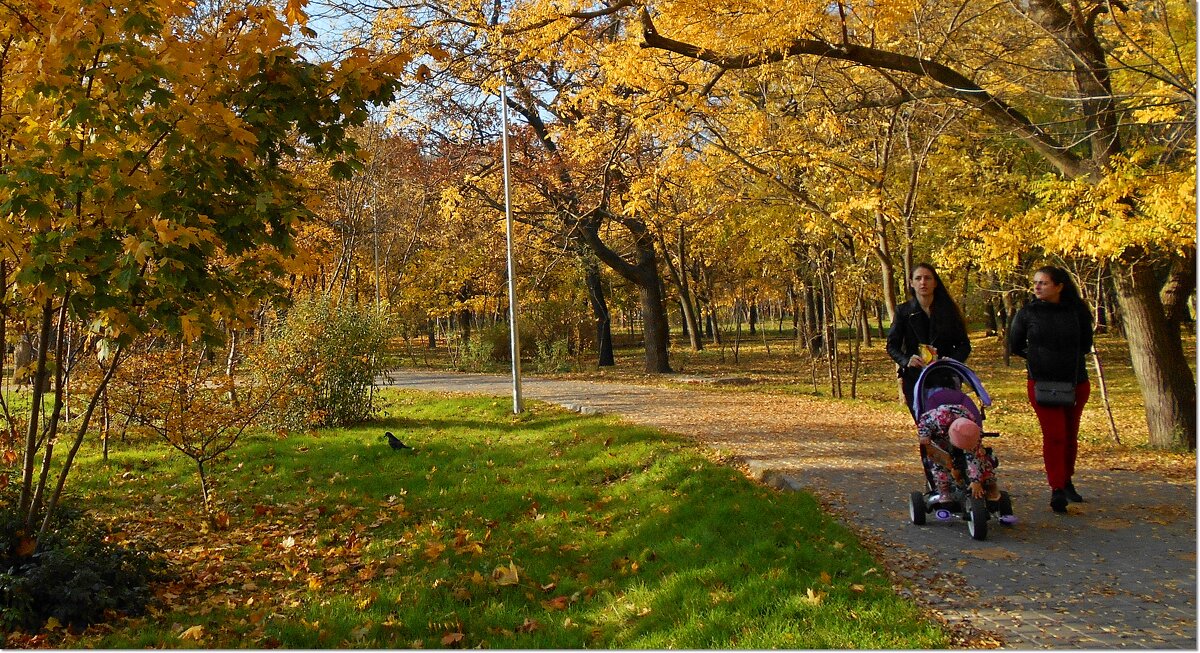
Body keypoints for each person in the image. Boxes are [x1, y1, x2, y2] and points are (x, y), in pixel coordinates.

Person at [1008, 265, 1093, 514]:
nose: (1037, 287)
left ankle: (1067, 480)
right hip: (1042, 384)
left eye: (1043, 283)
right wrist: (1038, 359)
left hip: (1075, 381)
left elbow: (1086, 344)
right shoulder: (1027, 313)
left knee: (1069, 435)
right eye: (1035, 283)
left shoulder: (1077, 311)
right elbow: (1015, 344)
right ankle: (1056, 488)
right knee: (1054, 435)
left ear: (1059, 286)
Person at [887, 263, 972, 420]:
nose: (923, 282)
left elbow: (964, 345)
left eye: (927, 278)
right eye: (918, 278)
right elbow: (892, 346)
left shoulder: (948, 311)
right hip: (915, 379)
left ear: (935, 282)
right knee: (925, 426)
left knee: (946, 424)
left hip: (945, 377)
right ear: (911, 283)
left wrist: (952, 361)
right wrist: (906, 360)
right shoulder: (903, 311)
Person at [916, 403, 1000, 502]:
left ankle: (989, 483)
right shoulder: (937, 418)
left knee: (982, 458)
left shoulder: (970, 427)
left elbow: (974, 457)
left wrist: (975, 481)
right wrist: (924, 435)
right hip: (941, 438)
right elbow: (923, 423)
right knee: (940, 463)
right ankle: (944, 488)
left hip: (966, 433)